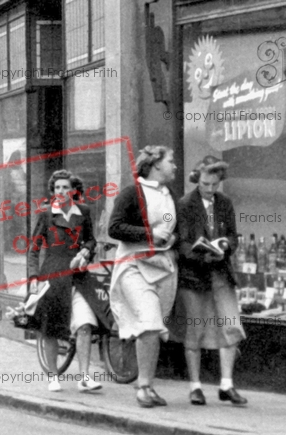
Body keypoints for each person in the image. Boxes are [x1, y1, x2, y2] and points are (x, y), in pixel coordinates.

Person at [169, 155, 248, 406]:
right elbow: (179, 243)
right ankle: (195, 386)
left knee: (231, 326)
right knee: (195, 330)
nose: (210, 189)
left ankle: (227, 385)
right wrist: (201, 255)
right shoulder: (184, 204)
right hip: (194, 276)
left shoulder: (225, 203)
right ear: (197, 180)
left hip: (221, 273)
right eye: (205, 184)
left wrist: (225, 246)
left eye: (214, 184)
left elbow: (233, 237)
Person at [107, 145, 179, 408]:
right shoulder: (132, 193)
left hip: (160, 266)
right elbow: (114, 227)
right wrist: (149, 234)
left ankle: (147, 385)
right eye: (171, 160)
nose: (174, 165)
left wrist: (172, 236)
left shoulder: (167, 195)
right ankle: (143, 388)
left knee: (155, 326)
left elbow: (171, 225)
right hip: (133, 266)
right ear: (156, 165)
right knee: (149, 321)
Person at [28, 169, 99, 393]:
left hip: (78, 277)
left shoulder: (84, 212)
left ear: (73, 190)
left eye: (65, 187)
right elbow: (33, 250)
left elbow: (91, 240)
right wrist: (33, 278)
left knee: (85, 325)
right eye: (57, 188)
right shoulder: (46, 215)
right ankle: (53, 375)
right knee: (50, 329)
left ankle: (85, 377)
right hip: (53, 276)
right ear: (53, 191)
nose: (61, 191)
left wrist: (86, 252)